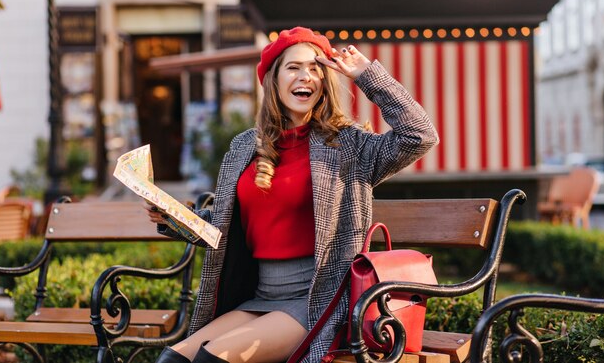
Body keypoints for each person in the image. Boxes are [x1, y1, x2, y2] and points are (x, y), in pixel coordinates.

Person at [146, 26, 439, 363]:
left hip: (317, 300)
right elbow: (225, 227)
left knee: (212, 359)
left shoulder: (350, 146)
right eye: (294, 67)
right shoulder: (244, 146)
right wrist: (175, 218)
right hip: (259, 296)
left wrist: (365, 75)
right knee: (173, 360)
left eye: (316, 67)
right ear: (273, 79)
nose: (307, 76)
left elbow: (420, 136)